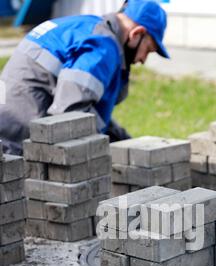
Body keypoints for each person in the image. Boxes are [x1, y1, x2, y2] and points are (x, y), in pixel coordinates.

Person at [0, 0, 170, 155]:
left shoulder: (86, 27)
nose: (143, 60)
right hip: (16, 140)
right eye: (148, 50)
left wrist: (127, 143)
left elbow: (86, 108)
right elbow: (70, 117)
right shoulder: (103, 46)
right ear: (136, 33)